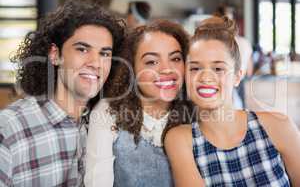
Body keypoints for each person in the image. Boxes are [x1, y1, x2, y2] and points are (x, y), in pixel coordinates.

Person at [0, 0, 125, 187]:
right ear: (55, 54)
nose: (96, 63)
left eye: (104, 54)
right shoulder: (10, 129)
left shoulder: (108, 124)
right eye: (82, 49)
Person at [164, 16, 300, 186]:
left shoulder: (280, 126)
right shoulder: (180, 140)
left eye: (218, 68)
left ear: (237, 77)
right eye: (195, 68)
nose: (206, 77)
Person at [85, 20, 189, 187]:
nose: (167, 69)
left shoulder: (196, 112)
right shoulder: (108, 112)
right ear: (132, 68)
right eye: (152, 62)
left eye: (176, 58)